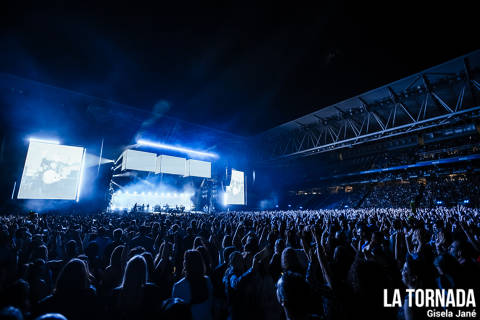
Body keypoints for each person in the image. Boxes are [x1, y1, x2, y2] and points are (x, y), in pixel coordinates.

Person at [172, 250, 213, 320]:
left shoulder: (179, 286)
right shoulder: (207, 280)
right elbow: (211, 304)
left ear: (185, 264)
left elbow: (176, 312)